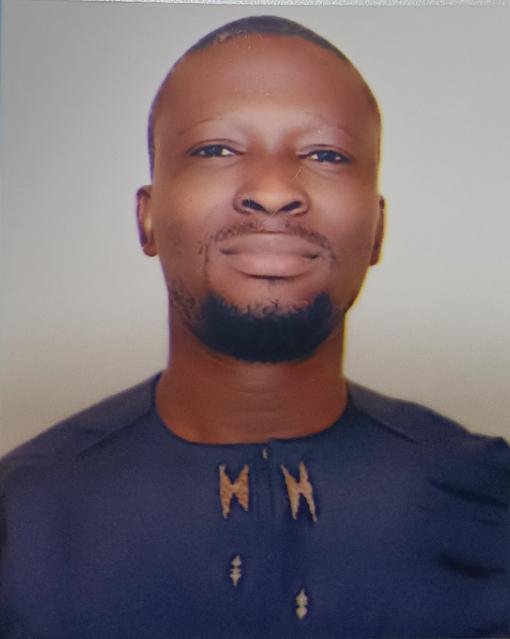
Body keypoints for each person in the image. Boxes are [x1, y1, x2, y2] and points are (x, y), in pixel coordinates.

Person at [1, 15, 508, 639]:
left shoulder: (491, 499)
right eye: (216, 149)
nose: (272, 191)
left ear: (377, 229)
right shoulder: (20, 521)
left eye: (325, 154)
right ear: (147, 217)